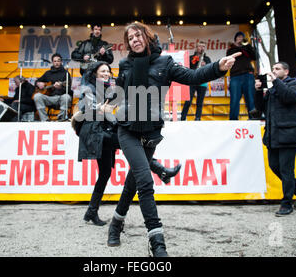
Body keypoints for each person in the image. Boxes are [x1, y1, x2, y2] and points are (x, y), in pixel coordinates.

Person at [106, 22, 240, 257]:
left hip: (151, 132)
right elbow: (118, 92)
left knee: (133, 182)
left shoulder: (165, 62)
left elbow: (193, 76)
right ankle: (156, 240)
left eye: (138, 35)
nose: (135, 40)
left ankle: (116, 223)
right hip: (126, 129)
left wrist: (218, 67)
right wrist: (108, 102)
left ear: (147, 37)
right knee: (145, 181)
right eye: (130, 37)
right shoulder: (125, 64)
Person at [77, 61, 181, 226]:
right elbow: (93, 111)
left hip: (105, 133)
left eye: (108, 71)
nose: (106, 73)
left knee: (104, 174)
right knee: (132, 144)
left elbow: (112, 109)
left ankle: (91, 211)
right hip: (96, 134)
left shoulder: (109, 89)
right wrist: (112, 116)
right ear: (95, 73)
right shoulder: (89, 88)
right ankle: (161, 171)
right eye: (102, 71)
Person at [254, 61, 296, 217]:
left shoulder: (294, 85)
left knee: (286, 170)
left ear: (286, 71)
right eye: (273, 69)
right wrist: (258, 91)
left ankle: (286, 203)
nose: (274, 71)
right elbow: (260, 109)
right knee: (274, 166)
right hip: (274, 135)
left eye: (277, 69)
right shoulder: (274, 89)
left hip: (288, 135)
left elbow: (289, 97)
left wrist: (276, 81)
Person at [33, 53, 72, 121]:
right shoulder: (48, 73)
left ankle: (61, 119)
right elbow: (37, 82)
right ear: (52, 62)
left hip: (60, 98)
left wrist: (60, 87)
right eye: (55, 61)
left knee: (66, 97)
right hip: (49, 98)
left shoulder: (66, 73)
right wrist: (38, 83)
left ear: (61, 62)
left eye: (58, 61)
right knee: (37, 96)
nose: (56, 63)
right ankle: (45, 120)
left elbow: (68, 89)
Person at [226, 31, 257, 120]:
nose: (240, 39)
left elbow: (254, 56)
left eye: (242, 37)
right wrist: (237, 46)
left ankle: (252, 118)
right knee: (235, 99)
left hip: (248, 75)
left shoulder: (247, 48)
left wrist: (247, 46)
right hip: (236, 76)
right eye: (238, 37)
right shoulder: (231, 49)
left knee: (250, 98)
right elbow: (229, 57)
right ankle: (233, 119)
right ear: (235, 39)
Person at [180, 41, 211, 121]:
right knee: (188, 100)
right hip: (192, 80)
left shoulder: (207, 59)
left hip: (203, 82)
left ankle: (198, 118)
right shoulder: (191, 57)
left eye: (203, 47)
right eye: (200, 46)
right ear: (196, 48)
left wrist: (206, 65)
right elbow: (187, 67)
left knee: (200, 102)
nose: (202, 48)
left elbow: (210, 70)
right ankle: (183, 117)